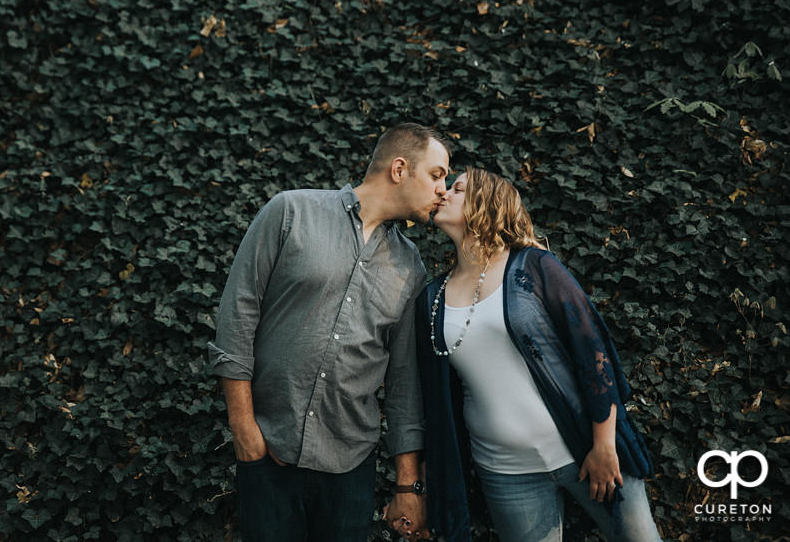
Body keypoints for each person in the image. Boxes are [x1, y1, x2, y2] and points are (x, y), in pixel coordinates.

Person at [208, 123, 450, 542]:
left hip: (349, 468)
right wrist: (244, 429)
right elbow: (237, 316)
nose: (444, 189)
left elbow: (403, 383)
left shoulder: (412, 269)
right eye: (437, 174)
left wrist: (408, 485)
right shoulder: (291, 212)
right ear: (399, 168)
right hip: (268, 451)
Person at [415, 167, 660, 542]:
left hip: (585, 449)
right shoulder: (433, 297)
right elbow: (438, 394)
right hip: (506, 472)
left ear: (487, 203)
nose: (444, 193)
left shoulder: (534, 266)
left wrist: (604, 445)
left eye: (458, 188)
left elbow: (594, 351)